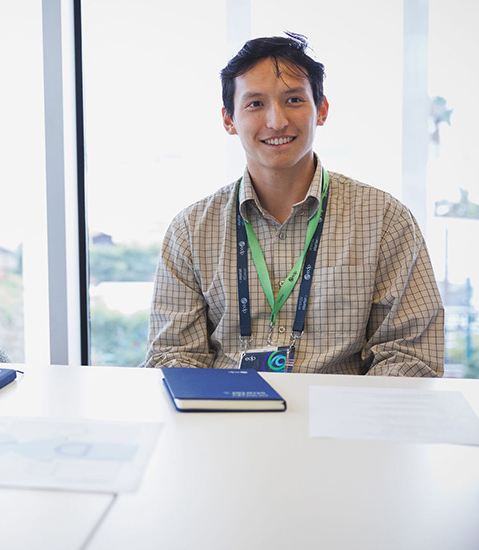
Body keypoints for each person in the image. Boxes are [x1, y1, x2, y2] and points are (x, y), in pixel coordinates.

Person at [144, 33, 444, 376]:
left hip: (341, 422)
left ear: (321, 110)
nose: (277, 121)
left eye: (293, 100)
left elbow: (410, 357)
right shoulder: (191, 230)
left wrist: (348, 423)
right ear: (229, 120)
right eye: (255, 104)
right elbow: (173, 358)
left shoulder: (384, 219)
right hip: (227, 421)